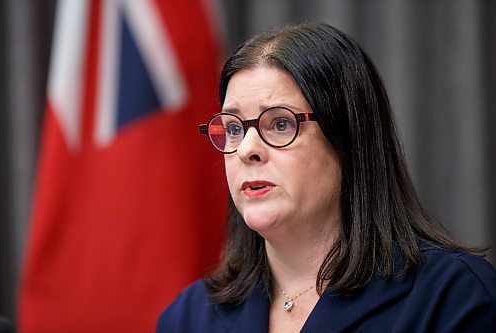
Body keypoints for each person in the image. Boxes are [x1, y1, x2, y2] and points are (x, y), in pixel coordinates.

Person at [156, 22, 496, 332]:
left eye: (280, 124)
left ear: (348, 139)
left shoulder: (453, 297)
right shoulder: (188, 317)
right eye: (233, 128)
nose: (246, 150)